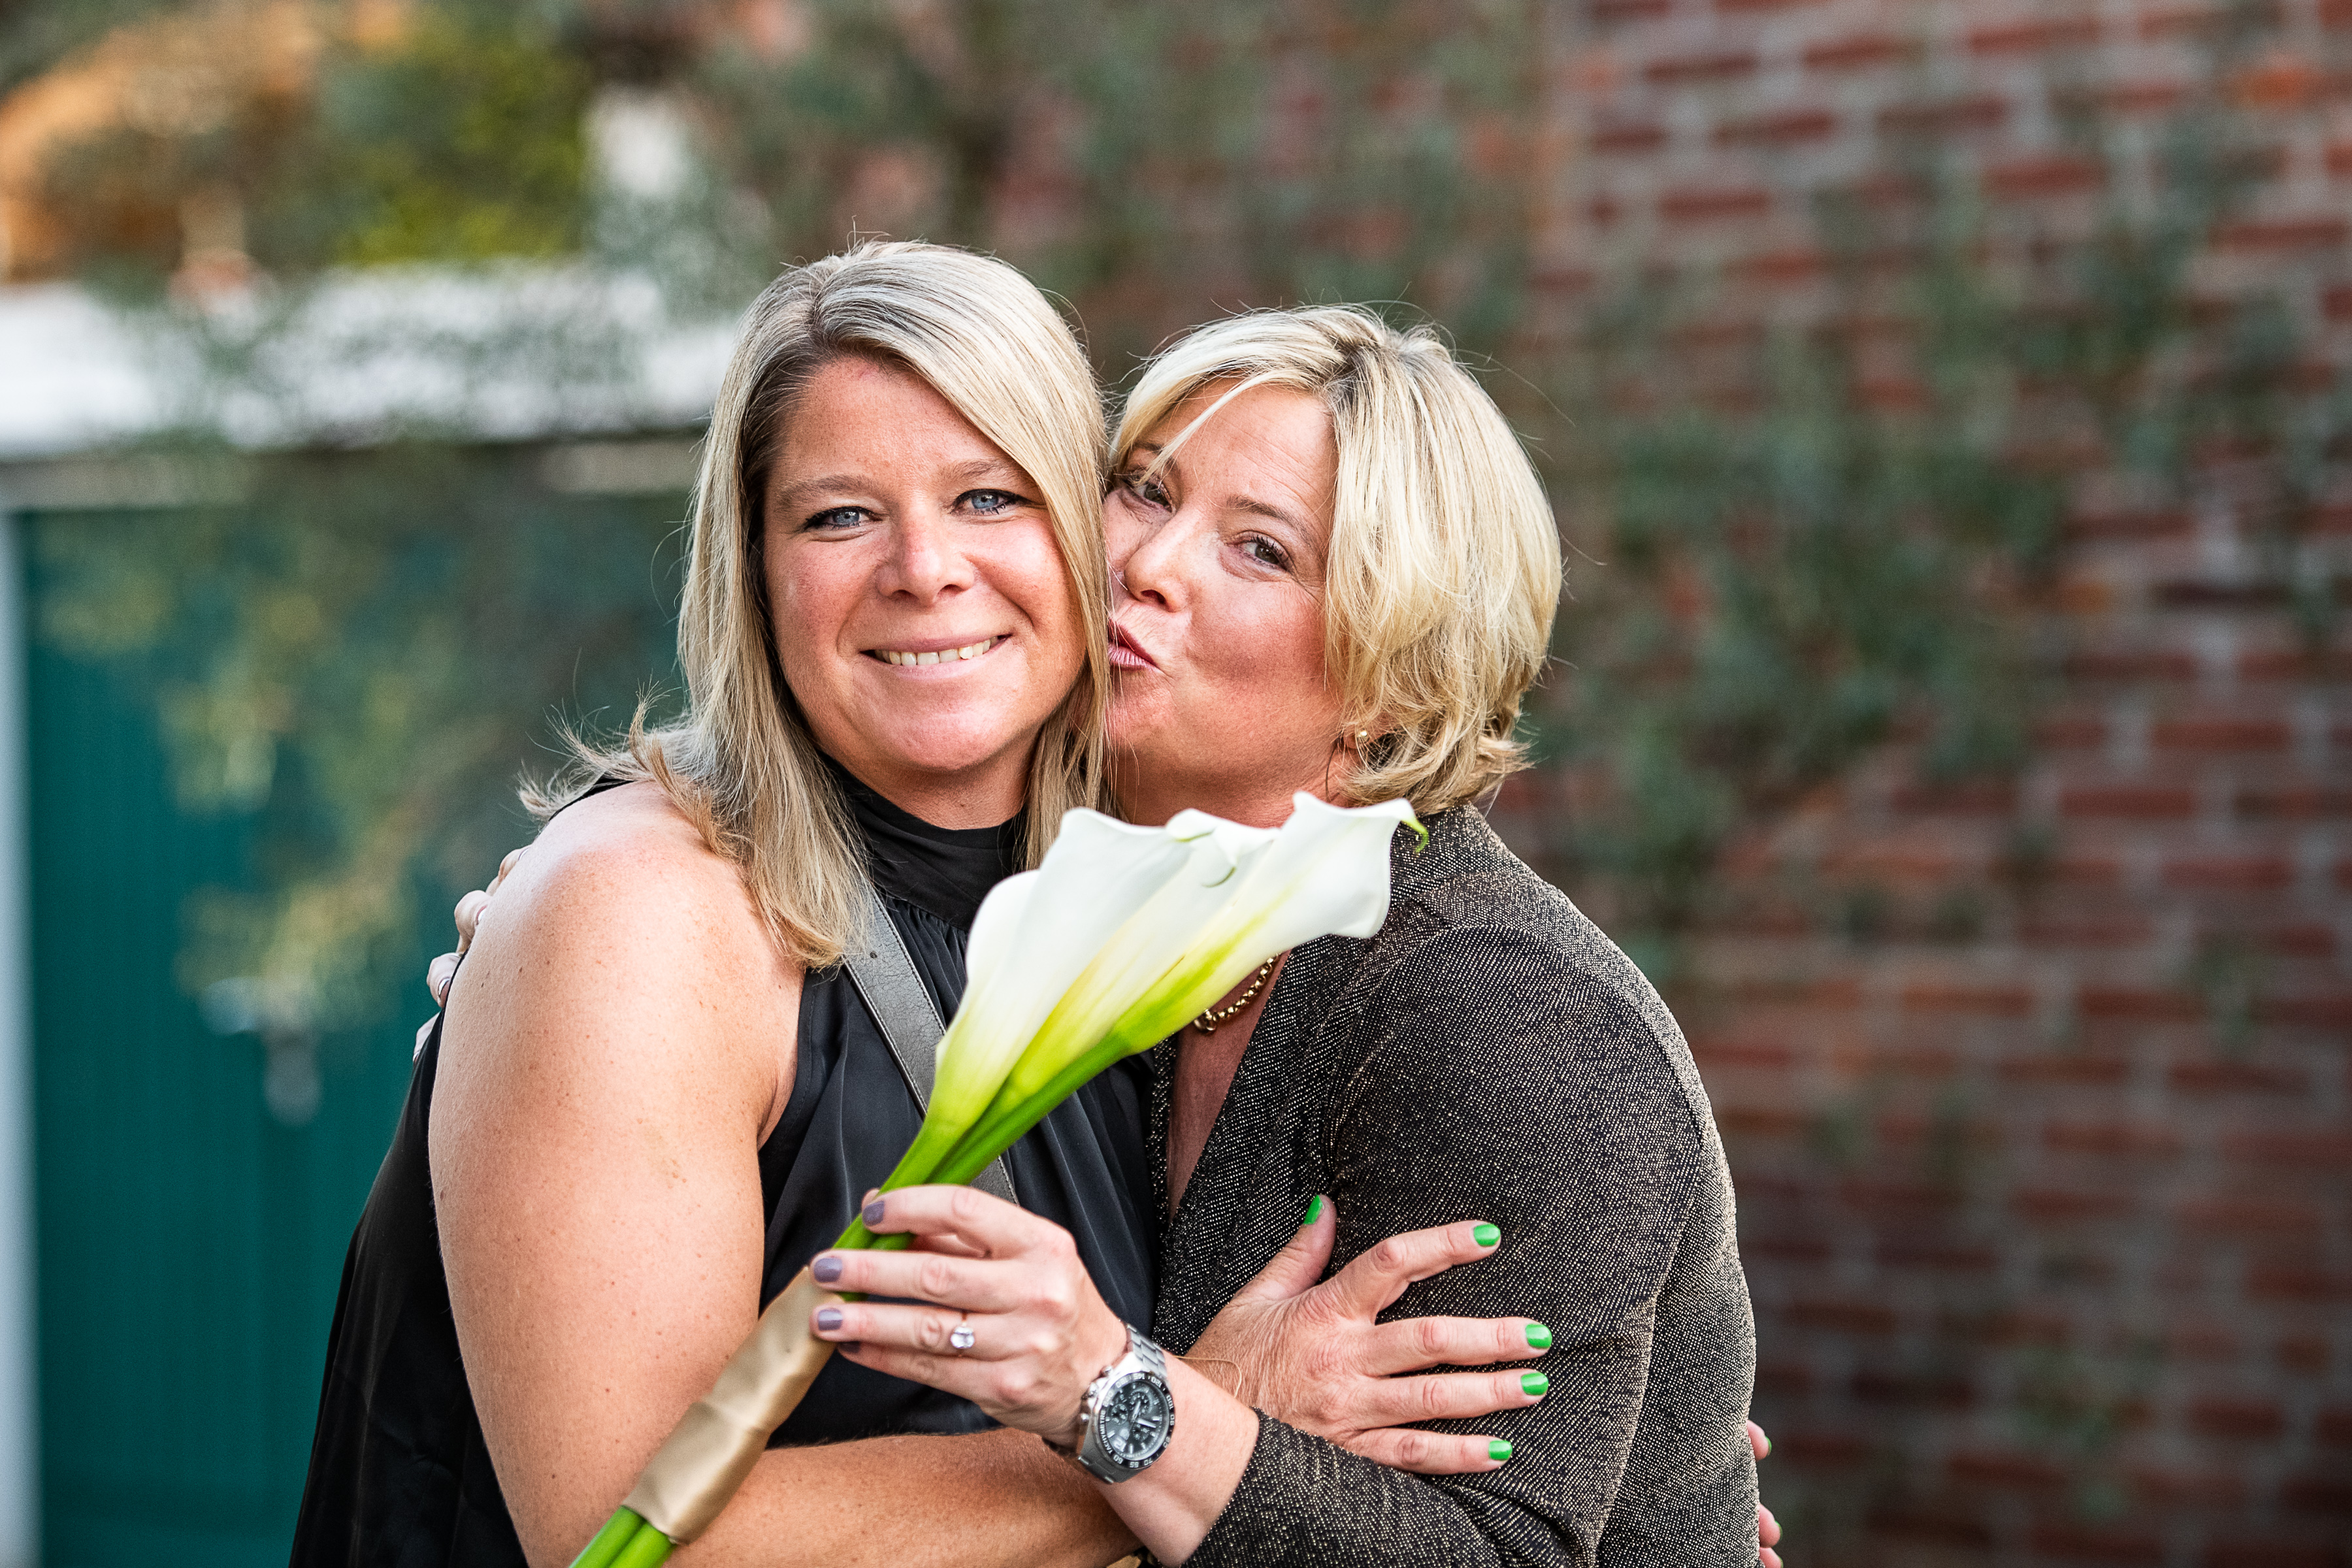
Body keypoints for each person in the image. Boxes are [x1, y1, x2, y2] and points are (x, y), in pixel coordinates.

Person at [293, 244, 1553, 1568]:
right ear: (753, 568)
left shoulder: (1109, 921)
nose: (925, 568)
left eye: (988, 497)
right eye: (840, 517)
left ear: (1085, 536)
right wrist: (1187, 1423)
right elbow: (629, 1544)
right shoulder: (644, 913)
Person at [798, 306, 1766, 1565]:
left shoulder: (1499, 1018)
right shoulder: (1135, 914)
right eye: (1146, 490)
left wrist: (1116, 1393)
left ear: (1390, 682)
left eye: (1260, 550)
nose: (1148, 563)